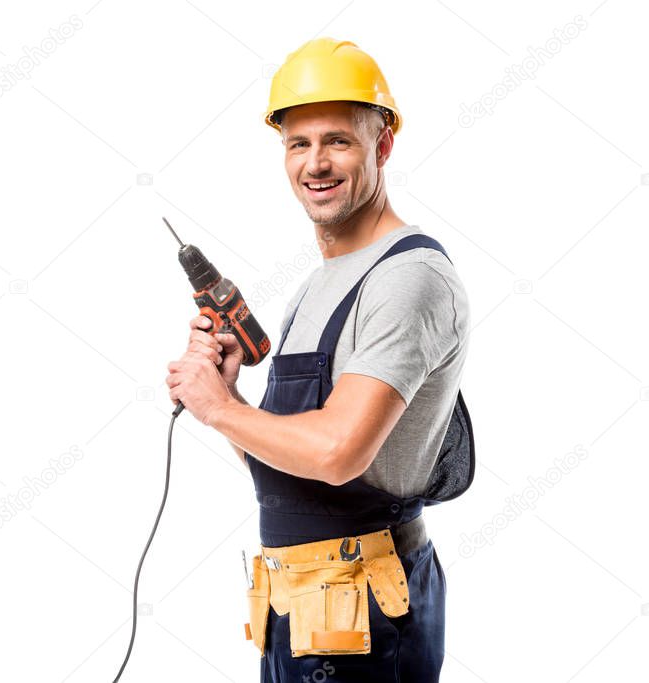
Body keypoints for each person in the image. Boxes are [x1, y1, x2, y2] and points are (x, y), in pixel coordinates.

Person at [165, 37, 475, 682]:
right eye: (297, 144)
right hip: (303, 604)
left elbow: (338, 453)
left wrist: (219, 408)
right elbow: (293, 467)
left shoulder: (407, 277)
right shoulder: (320, 281)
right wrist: (231, 406)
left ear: (383, 145)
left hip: (364, 609)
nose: (315, 163)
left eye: (338, 140)